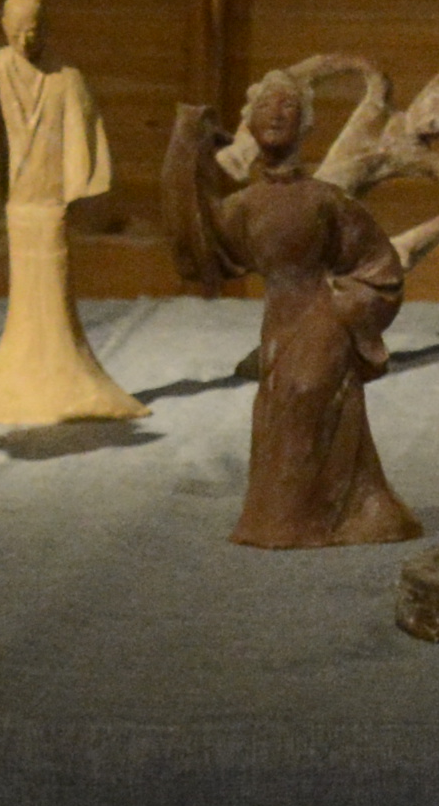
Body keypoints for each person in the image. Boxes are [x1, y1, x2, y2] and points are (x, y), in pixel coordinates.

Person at [171, 69, 419, 548]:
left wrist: (349, 309)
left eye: (288, 105)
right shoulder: (246, 204)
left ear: (306, 124)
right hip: (278, 324)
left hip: (323, 315)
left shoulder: (324, 200)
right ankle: (322, 517)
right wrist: (187, 147)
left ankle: (294, 523)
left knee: (305, 396)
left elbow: (379, 264)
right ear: (249, 123)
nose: (276, 113)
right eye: (266, 105)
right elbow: (200, 244)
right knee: (277, 410)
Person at [0, 0, 142, 426]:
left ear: (47, 29)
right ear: (3, 26)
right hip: (20, 203)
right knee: (24, 290)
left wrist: (74, 188)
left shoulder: (66, 79)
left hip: (51, 203)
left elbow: (84, 138)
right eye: (16, 31)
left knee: (53, 285)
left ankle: (64, 374)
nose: (25, 40)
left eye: (33, 31)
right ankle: (20, 378)